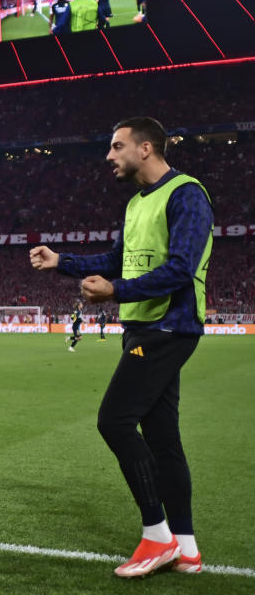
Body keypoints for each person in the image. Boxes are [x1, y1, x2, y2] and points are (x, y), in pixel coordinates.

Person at [29, 116, 213, 578]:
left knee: (113, 420)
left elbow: (181, 268)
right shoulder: (136, 204)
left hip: (168, 327)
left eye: (116, 146)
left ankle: (157, 535)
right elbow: (117, 261)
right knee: (163, 438)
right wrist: (61, 263)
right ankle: (185, 547)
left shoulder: (186, 194)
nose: (109, 156)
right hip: (142, 328)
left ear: (145, 148)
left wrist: (116, 292)